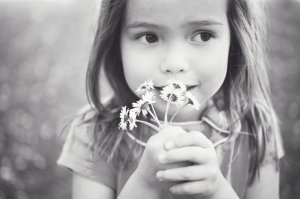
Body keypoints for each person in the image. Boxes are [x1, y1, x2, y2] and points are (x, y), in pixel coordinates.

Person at [57, 0, 285, 198]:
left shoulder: (256, 127)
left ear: (234, 37)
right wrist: (144, 185)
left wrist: (216, 191)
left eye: (203, 35)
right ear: (116, 42)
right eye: (149, 37)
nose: (175, 63)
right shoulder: (95, 133)